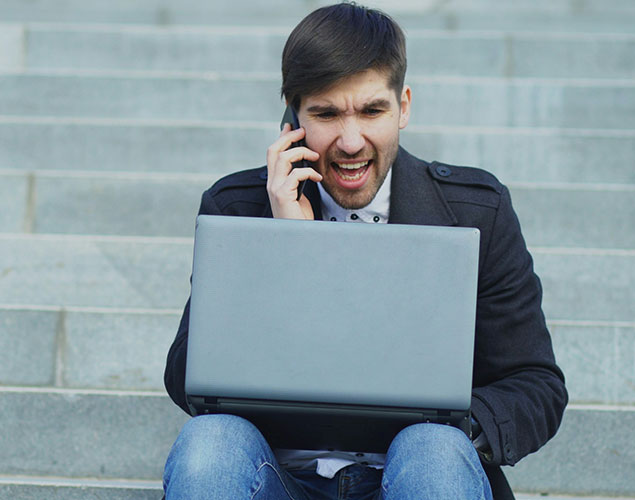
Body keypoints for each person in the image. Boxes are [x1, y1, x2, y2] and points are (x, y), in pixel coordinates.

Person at [163, 3, 567, 499]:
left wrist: (446, 432)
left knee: (431, 453)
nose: (351, 141)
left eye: (372, 110)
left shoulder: (478, 212)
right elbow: (186, 379)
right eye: (326, 113)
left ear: (404, 107)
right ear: (292, 118)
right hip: (278, 479)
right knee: (210, 442)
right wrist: (289, 246)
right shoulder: (238, 208)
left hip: (416, 477)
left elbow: (534, 385)